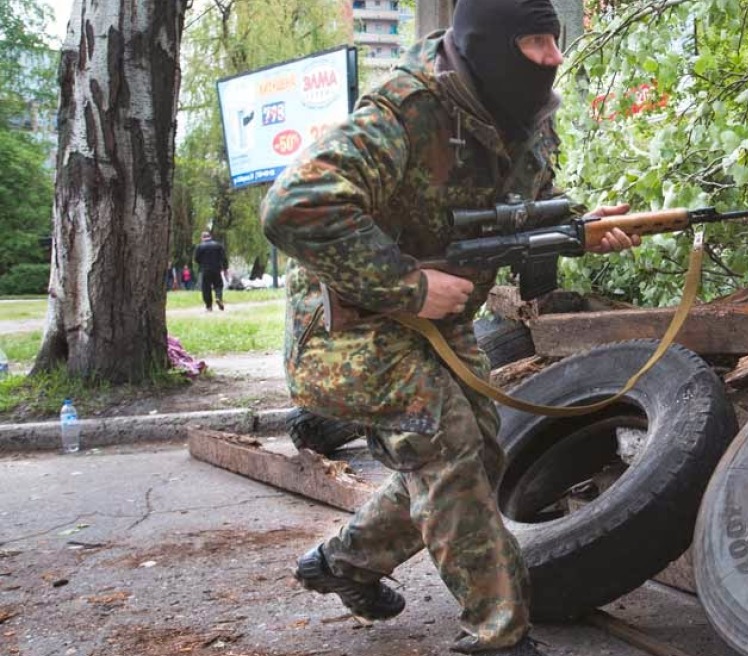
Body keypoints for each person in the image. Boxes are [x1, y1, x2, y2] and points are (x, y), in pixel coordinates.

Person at [260, 2, 639, 654]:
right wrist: (407, 286)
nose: (554, 55)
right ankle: (499, 635)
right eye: (535, 41)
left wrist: (579, 229)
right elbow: (294, 205)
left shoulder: (519, 115)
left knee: (482, 454)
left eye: (555, 39)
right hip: (345, 324)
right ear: (488, 43)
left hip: (438, 319)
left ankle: (346, 562)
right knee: (447, 439)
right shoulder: (409, 109)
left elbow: (509, 218)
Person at [193, 231, 228, 311]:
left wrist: (202, 264)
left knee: (206, 288)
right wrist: (225, 268)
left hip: (205, 270)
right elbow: (224, 258)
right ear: (210, 236)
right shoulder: (218, 245)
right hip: (216, 269)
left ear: (202, 238)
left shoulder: (199, 247)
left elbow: (196, 259)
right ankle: (218, 297)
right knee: (218, 285)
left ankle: (209, 306)